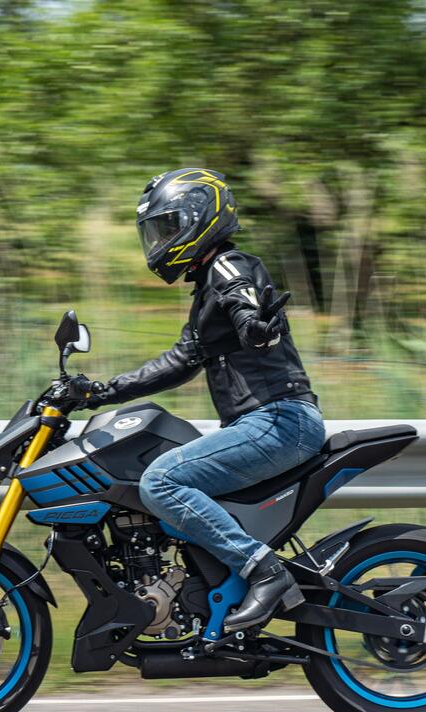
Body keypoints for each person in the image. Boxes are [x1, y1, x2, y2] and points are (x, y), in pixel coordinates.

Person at [88, 168, 325, 630]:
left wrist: (256, 327)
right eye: (157, 231)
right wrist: (100, 392)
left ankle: (266, 573)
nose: (160, 240)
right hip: (262, 425)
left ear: (200, 218)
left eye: (168, 227)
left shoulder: (229, 267)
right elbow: (180, 361)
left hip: (278, 420)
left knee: (161, 482)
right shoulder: (205, 290)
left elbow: (245, 303)